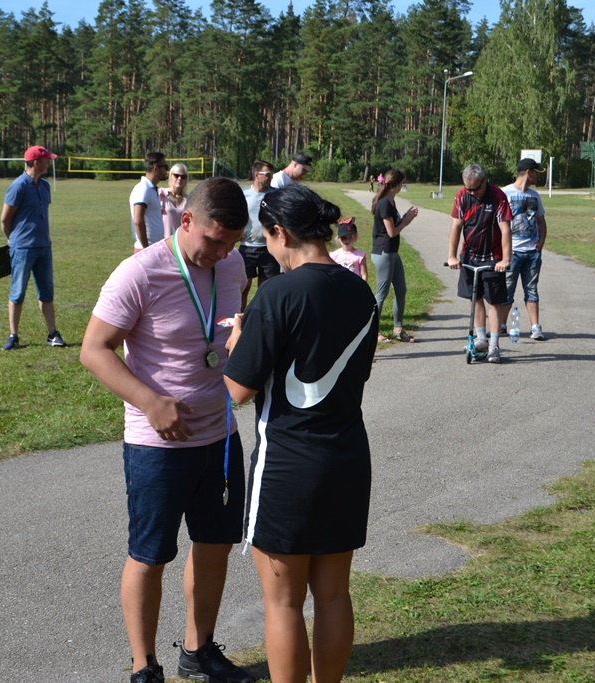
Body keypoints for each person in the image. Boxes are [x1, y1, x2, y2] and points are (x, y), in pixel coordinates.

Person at [80, 177, 255, 683]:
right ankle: (145, 665)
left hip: (220, 435)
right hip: (157, 443)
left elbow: (225, 332)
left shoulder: (232, 264)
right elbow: (94, 349)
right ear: (185, 221)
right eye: (214, 239)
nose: (222, 252)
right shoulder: (139, 273)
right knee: (149, 554)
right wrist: (150, 401)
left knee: (215, 545)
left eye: (232, 242)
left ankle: (198, 652)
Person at [223, 184, 378, 683]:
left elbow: (238, 390)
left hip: (288, 464)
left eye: (266, 239)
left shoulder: (277, 293)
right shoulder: (361, 290)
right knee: (334, 595)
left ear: (281, 233)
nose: (266, 249)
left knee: (283, 602)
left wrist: (235, 341)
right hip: (348, 458)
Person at [0, 145, 67, 351]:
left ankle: (52, 334)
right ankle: (13, 336)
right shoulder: (18, 186)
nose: (50, 162)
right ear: (36, 162)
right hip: (22, 249)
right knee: (17, 292)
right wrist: (14, 242)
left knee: (47, 293)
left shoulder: (45, 186)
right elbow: (5, 219)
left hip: (44, 247)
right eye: (47, 159)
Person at [446, 163, 512, 363]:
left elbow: (505, 230)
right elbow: (456, 226)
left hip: (493, 257)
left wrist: (505, 260)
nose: (472, 192)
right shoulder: (462, 196)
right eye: (469, 189)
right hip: (470, 255)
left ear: (485, 180)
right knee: (475, 296)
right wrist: (452, 256)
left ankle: (494, 345)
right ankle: (481, 339)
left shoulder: (498, 196)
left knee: (494, 300)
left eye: (476, 188)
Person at [501, 158, 548, 341]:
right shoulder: (505, 193)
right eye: (537, 172)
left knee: (532, 290)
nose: (538, 176)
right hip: (511, 254)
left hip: (531, 253)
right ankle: (503, 325)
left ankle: (535, 327)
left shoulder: (535, 196)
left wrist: (541, 243)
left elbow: (541, 222)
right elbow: (497, 224)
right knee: (506, 291)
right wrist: (504, 249)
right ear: (529, 172)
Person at [370, 169, 419, 343]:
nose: (402, 186)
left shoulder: (390, 201)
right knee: (381, 294)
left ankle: (398, 329)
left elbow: (392, 226)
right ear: (397, 184)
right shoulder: (384, 203)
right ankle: (373, 333)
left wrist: (405, 218)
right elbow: (391, 232)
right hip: (384, 252)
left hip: (392, 252)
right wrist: (406, 222)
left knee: (401, 290)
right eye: (402, 183)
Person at [240, 159, 280, 310]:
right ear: (257, 175)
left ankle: (262, 321)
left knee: (266, 291)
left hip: (269, 248)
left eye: (272, 175)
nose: (270, 177)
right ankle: (241, 322)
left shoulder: (276, 195)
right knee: (243, 288)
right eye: (267, 174)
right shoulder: (244, 194)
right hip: (247, 248)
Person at [130, 152, 170, 252]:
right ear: (156, 168)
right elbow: (138, 221)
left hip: (153, 248)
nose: (167, 170)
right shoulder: (143, 189)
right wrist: (146, 249)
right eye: (165, 167)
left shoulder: (151, 189)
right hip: (146, 249)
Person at [158, 162, 189, 237]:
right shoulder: (162, 194)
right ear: (171, 176)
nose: (179, 178)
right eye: (176, 175)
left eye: (183, 177)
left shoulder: (188, 200)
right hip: (163, 242)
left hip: (179, 243)